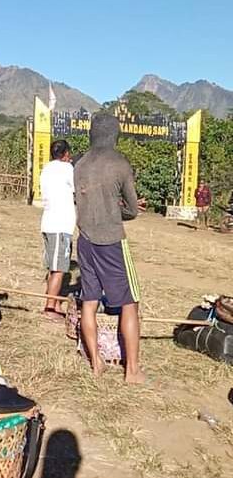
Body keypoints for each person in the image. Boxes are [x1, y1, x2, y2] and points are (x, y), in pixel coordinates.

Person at [73, 113, 147, 384]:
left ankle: (96, 363)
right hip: (112, 242)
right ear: (115, 134)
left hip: (85, 240)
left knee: (89, 303)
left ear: (92, 134)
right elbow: (132, 209)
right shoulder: (119, 163)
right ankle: (133, 371)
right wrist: (121, 212)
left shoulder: (79, 164)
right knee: (130, 303)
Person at [40, 139, 75, 321]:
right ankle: (50, 308)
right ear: (66, 154)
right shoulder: (67, 169)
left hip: (48, 223)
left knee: (54, 267)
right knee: (60, 269)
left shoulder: (47, 168)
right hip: (60, 225)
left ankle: (53, 301)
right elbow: (79, 188)